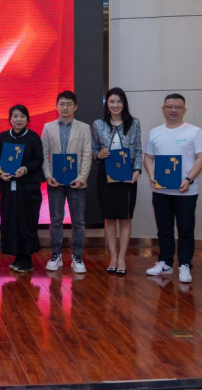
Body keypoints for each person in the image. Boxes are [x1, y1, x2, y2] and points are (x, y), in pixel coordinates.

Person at [143, 94, 202, 283]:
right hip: (161, 190)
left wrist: (189, 179)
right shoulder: (155, 132)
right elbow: (148, 157)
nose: (173, 110)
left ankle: (185, 265)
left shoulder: (194, 131)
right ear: (163, 109)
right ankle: (165, 262)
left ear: (184, 110)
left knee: (186, 230)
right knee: (164, 229)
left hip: (186, 191)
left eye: (178, 107)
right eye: (169, 107)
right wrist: (152, 174)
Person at [92, 87, 142, 275]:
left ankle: (122, 257)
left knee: (125, 218)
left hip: (127, 175)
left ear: (124, 103)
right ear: (107, 104)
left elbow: (138, 149)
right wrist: (99, 154)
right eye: (111, 101)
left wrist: (137, 170)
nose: (115, 105)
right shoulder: (98, 124)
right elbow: (93, 148)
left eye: (118, 101)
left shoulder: (134, 123)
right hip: (106, 174)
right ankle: (113, 256)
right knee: (110, 218)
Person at [41, 90, 92, 274]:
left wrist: (81, 178)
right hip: (55, 182)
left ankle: (77, 256)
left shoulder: (84, 128)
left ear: (75, 107)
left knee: (78, 221)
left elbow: (87, 155)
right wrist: (48, 175)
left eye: (69, 104)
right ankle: (56, 255)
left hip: (76, 182)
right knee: (56, 220)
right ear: (56, 106)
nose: (65, 107)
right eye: (62, 104)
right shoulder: (48, 127)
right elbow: (43, 154)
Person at [0, 104, 44, 273]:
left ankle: (26, 258)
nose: (18, 119)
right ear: (10, 119)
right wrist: (0, 173)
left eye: (22, 116)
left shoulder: (33, 137)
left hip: (27, 187)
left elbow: (39, 159)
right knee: (10, 220)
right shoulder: (3, 137)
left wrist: (25, 169)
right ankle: (17, 256)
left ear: (27, 119)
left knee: (26, 221)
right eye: (15, 116)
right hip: (8, 187)